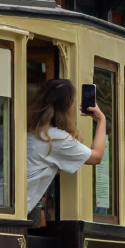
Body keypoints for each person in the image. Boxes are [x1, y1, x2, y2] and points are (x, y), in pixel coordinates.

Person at [24, 79, 108, 216]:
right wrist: (101, 120)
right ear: (66, 109)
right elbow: (96, 156)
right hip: (15, 208)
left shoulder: (20, 129)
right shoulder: (56, 139)